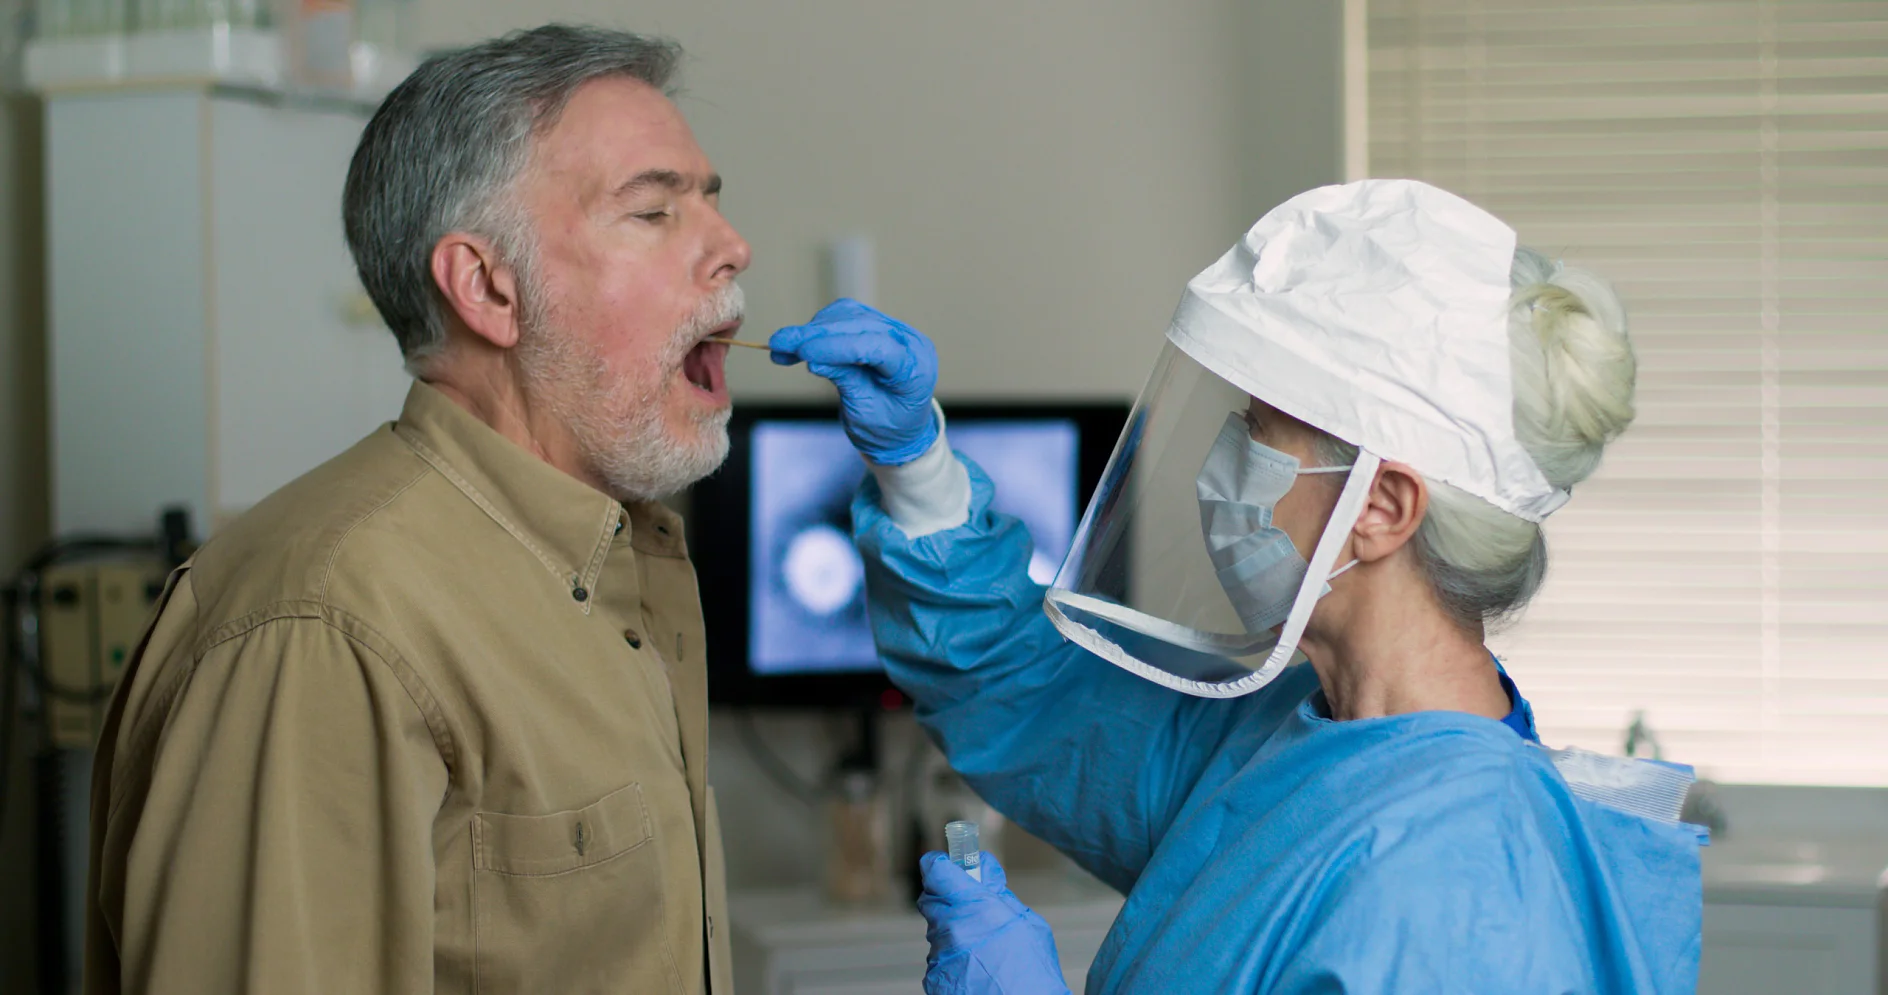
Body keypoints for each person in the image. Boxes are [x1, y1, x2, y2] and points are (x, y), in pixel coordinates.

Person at [769, 180, 1703, 993]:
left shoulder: (1462, 874)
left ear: (1381, 504)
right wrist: (915, 464)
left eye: (1260, 431)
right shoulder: (1288, 734)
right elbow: (1027, 692)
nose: (1219, 466)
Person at [84, 26, 750, 994]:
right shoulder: (324, 626)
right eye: (653, 212)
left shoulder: (619, 565)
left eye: (711, 204)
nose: (732, 248)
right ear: (487, 287)